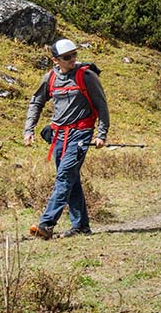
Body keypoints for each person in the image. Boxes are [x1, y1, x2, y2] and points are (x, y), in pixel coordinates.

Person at [23, 38, 110, 239]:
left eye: (74, 55)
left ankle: (46, 224)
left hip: (81, 133)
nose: (72, 59)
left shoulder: (87, 77)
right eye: (67, 57)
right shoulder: (50, 78)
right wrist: (29, 130)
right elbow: (36, 102)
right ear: (56, 60)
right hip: (59, 136)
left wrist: (101, 134)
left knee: (64, 176)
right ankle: (80, 226)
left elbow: (102, 106)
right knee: (71, 178)